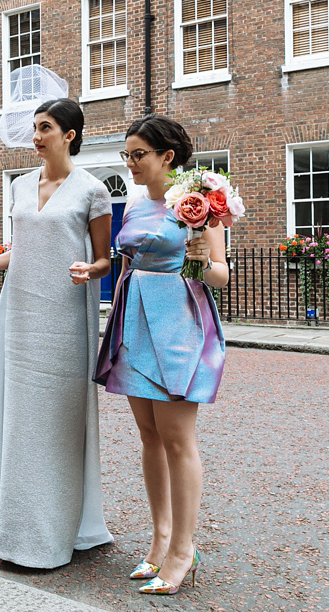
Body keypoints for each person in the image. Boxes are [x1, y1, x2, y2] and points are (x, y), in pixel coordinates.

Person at [0, 97, 114, 569]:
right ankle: (10, 525)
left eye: (45, 128)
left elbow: (105, 259)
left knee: (55, 421)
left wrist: (91, 268)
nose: (37, 136)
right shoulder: (21, 186)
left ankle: (53, 532)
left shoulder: (92, 191)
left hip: (64, 317)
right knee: (16, 414)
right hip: (19, 313)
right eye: (34, 128)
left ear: (70, 135)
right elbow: (19, 249)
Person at [94, 115, 228, 596]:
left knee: (177, 439)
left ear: (166, 156)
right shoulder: (133, 203)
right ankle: (159, 540)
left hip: (177, 321)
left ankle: (183, 551)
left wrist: (199, 257)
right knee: (148, 435)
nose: (130, 163)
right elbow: (127, 262)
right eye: (126, 155)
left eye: (138, 154)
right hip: (134, 320)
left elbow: (221, 275)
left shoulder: (201, 202)